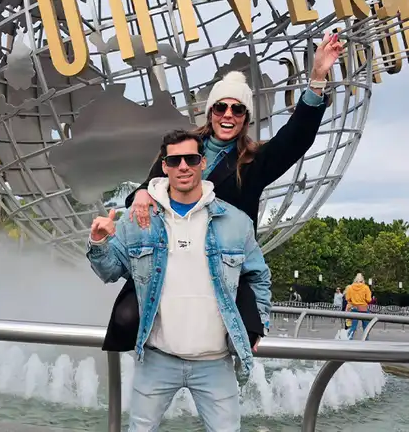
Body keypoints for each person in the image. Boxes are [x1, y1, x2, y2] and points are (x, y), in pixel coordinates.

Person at [103, 30, 344, 359]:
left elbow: (296, 137)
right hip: (171, 261)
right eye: (221, 107)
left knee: (234, 338)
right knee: (126, 318)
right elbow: (148, 188)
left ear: (246, 118)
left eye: (237, 109)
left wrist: (316, 80)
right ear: (210, 112)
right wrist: (142, 194)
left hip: (220, 271)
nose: (228, 114)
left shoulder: (254, 163)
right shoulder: (182, 150)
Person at [87, 129, 271, 431]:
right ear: (164, 166)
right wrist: (98, 242)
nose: (183, 166)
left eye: (191, 159)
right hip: (157, 360)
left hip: (215, 363)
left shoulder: (236, 222)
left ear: (202, 162)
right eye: (174, 160)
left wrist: (258, 324)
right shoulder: (139, 219)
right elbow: (109, 271)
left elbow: (259, 276)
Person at [345, 273, 373, 340]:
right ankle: (366, 339)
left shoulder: (350, 287)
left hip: (354, 308)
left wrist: (354, 300)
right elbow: (369, 300)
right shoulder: (366, 287)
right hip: (363, 309)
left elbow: (347, 298)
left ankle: (349, 338)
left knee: (353, 326)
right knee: (366, 326)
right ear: (362, 280)